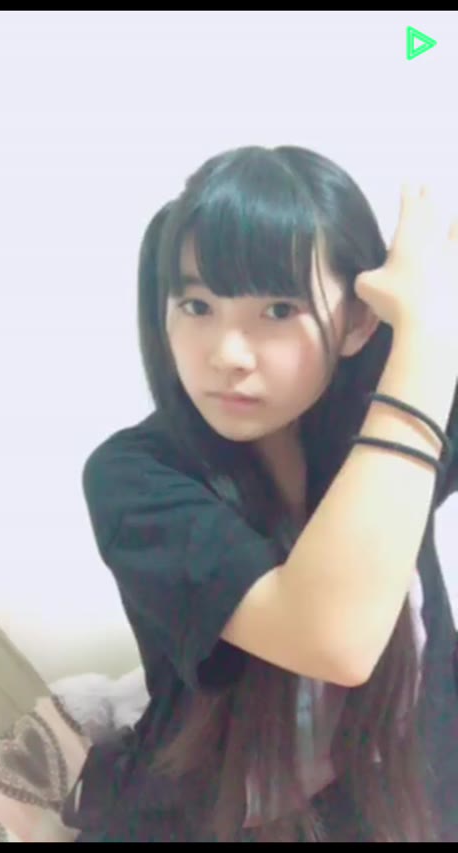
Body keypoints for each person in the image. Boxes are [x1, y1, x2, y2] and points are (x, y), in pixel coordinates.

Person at [61, 146, 458, 842]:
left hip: (410, 786)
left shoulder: (385, 415)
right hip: (213, 814)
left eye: (278, 308)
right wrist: (427, 340)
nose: (227, 355)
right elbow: (331, 637)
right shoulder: (134, 476)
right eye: (197, 305)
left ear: (359, 321)